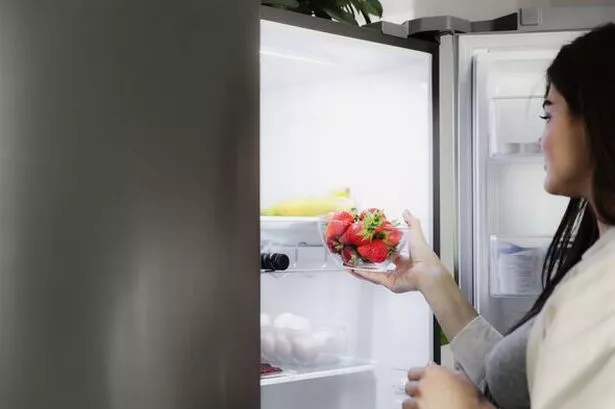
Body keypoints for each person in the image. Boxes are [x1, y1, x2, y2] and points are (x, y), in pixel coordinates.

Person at [350, 23, 615, 409]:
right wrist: (429, 276)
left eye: (548, 114)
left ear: (595, 121)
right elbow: (514, 385)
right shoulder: (598, 261)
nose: (541, 139)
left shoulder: (605, 284)